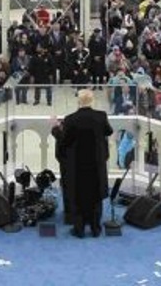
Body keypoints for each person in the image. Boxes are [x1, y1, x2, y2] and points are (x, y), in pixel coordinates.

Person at [58, 88, 113, 238]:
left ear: (78, 101)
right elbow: (109, 131)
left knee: (79, 198)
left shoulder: (70, 119)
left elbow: (65, 142)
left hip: (78, 166)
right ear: (92, 100)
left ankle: (79, 229)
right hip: (96, 164)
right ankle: (95, 228)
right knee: (95, 199)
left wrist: (58, 129)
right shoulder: (101, 116)